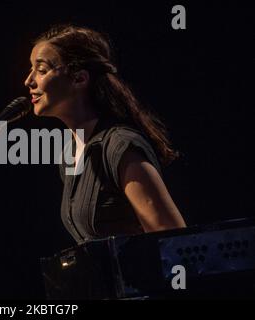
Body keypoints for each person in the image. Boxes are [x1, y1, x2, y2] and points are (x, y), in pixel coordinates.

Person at [24, 25, 186, 244]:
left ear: (79, 79)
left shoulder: (120, 145)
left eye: (41, 70)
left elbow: (171, 238)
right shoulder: (69, 155)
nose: (29, 81)